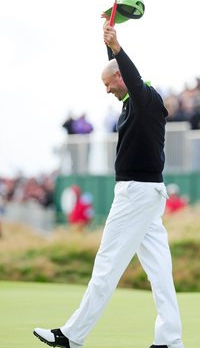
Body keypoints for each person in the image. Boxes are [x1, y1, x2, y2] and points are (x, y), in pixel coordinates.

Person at [33, 20, 184, 348]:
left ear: (121, 78)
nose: (106, 90)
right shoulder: (133, 103)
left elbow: (127, 73)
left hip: (135, 194)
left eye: (108, 83)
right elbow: (118, 71)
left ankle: (72, 336)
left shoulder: (146, 99)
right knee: (160, 273)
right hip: (145, 195)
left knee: (106, 266)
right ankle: (171, 340)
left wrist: (117, 47)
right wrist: (108, 41)